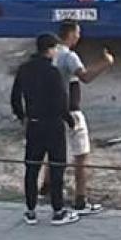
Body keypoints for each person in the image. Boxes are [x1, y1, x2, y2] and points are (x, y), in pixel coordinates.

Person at [10, 33, 79, 225]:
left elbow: (15, 97)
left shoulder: (24, 70)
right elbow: (60, 101)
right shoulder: (52, 72)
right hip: (53, 125)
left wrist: (21, 116)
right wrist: (70, 120)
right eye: (55, 48)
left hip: (34, 124)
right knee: (57, 166)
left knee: (32, 168)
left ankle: (30, 210)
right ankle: (58, 210)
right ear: (50, 49)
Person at [49, 20, 115, 215]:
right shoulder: (69, 56)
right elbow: (85, 77)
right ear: (70, 34)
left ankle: (47, 187)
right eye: (77, 33)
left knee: (54, 152)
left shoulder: (51, 54)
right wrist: (106, 63)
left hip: (53, 111)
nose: (79, 36)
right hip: (71, 111)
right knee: (80, 155)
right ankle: (80, 199)